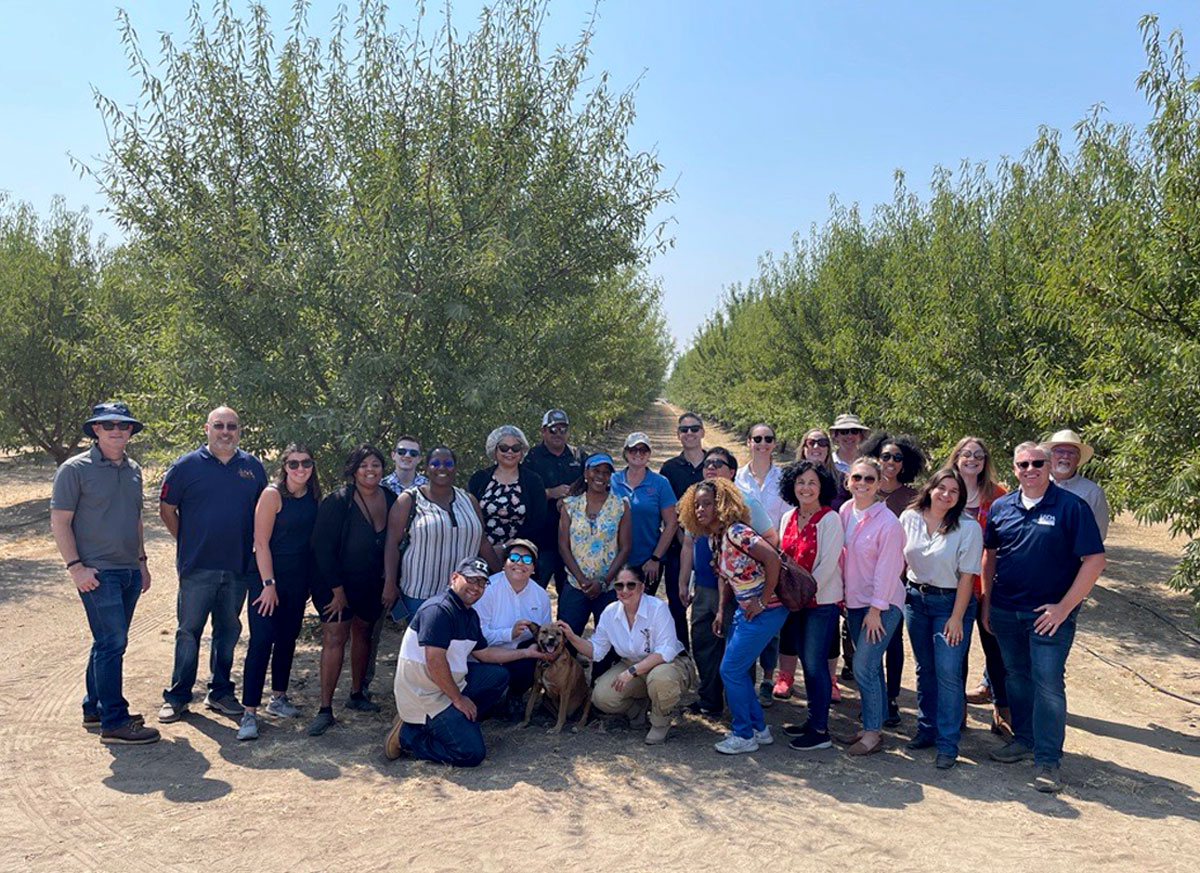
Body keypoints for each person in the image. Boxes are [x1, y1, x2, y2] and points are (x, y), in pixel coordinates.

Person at [982, 442, 1105, 793]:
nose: (1030, 469)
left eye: (1038, 463)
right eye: (1023, 464)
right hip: (1006, 610)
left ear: (1049, 466)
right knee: (1016, 677)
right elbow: (989, 557)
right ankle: (1024, 740)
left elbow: (1095, 561)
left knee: (1048, 684)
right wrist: (988, 602)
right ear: (1014, 468)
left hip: (1049, 617)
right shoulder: (1001, 507)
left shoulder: (1071, 507)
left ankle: (1048, 761)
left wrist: (1064, 607)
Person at [50, 402, 160, 745]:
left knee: (108, 643)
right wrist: (75, 567)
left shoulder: (134, 469)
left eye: (123, 425)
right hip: (97, 572)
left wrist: (141, 562)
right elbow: (60, 522)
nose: (117, 430)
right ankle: (115, 721)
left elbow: (136, 519)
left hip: (128, 570)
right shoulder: (74, 469)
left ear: (130, 431)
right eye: (108, 424)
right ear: (95, 430)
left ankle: (94, 707)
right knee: (112, 642)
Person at [385, 557, 551, 766]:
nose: (476, 587)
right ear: (454, 578)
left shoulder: (469, 615)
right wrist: (458, 699)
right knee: (471, 753)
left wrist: (526, 653)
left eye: (481, 583)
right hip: (426, 694)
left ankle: (457, 723)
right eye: (471, 580)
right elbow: (434, 661)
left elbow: (485, 654)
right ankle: (408, 736)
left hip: (449, 685)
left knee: (498, 676)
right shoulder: (438, 610)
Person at [158, 406, 267, 723]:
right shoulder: (186, 466)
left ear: (239, 430)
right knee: (188, 632)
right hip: (197, 568)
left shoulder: (252, 467)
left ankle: (220, 693)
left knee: (228, 631)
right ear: (207, 428)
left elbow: (263, 512)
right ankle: (178, 697)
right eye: (219, 425)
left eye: (231, 426)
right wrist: (189, 541)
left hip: (238, 567)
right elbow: (166, 510)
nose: (225, 431)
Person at [678, 478, 783, 755]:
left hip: (767, 609)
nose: (701, 510)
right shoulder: (715, 537)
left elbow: (773, 559)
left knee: (731, 670)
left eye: (707, 504)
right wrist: (722, 611)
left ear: (721, 505)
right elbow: (725, 577)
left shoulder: (738, 533)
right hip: (744, 609)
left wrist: (761, 600)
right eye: (697, 505)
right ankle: (759, 729)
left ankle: (742, 734)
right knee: (735, 669)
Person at [308, 444, 397, 735]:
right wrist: (337, 590)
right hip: (333, 582)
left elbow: (396, 544)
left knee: (364, 633)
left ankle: (357, 694)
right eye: (364, 465)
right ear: (353, 469)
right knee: (335, 637)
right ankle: (324, 709)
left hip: (370, 582)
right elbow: (321, 549)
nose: (370, 470)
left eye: (376, 465)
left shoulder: (391, 498)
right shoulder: (338, 501)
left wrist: (390, 582)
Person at [900, 468, 983, 769]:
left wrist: (957, 617)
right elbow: (899, 560)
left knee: (948, 673)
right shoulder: (910, 518)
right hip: (915, 600)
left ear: (960, 497)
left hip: (950, 603)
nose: (946, 495)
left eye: (954, 491)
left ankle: (948, 744)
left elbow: (967, 576)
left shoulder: (967, 527)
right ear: (930, 488)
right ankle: (927, 730)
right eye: (942, 488)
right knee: (925, 669)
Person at [557, 565, 695, 744]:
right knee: (602, 697)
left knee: (661, 678)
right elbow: (596, 651)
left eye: (631, 585)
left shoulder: (658, 608)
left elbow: (666, 651)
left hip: (668, 664)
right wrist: (572, 637)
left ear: (642, 587)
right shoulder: (610, 612)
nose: (624, 590)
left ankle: (660, 721)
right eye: (619, 586)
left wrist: (631, 672)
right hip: (635, 666)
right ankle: (637, 709)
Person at [237, 444, 320, 741]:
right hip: (267, 578)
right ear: (284, 466)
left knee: (287, 638)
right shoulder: (272, 495)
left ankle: (278, 697)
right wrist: (268, 585)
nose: (301, 469)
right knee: (261, 642)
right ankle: (249, 713)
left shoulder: (311, 496)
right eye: (294, 464)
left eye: (306, 463)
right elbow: (261, 542)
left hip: (297, 578)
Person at [384, 445, 499, 623]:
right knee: (425, 648)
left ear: (455, 467)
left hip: (464, 594)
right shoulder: (409, 500)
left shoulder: (469, 501)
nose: (442, 468)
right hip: (421, 594)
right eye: (435, 463)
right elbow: (392, 543)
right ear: (426, 468)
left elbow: (482, 542)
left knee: (459, 647)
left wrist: (501, 575)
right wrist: (390, 583)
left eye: (448, 463)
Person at [775, 460, 844, 752]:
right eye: (801, 482)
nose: (806, 488)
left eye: (812, 483)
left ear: (822, 487)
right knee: (806, 663)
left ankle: (819, 730)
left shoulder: (830, 519)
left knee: (816, 666)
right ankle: (812, 718)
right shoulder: (788, 517)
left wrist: (803, 593)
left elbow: (828, 564)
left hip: (820, 603)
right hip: (795, 602)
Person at [839, 456, 905, 756]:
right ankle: (869, 725)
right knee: (871, 668)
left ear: (879, 485)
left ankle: (874, 733)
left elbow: (889, 570)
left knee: (864, 667)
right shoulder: (845, 512)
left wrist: (876, 611)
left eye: (868, 479)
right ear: (847, 481)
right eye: (857, 478)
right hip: (854, 602)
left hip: (882, 605)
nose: (862, 484)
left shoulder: (888, 523)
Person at [859, 431, 926, 726]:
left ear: (905, 463)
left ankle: (891, 699)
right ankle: (872, 698)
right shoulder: (863, 491)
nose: (890, 462)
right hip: (861, 582)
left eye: (897, 458)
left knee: (892, 642)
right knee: (863, 642)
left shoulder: (912, 498)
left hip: (895, 582)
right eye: (885, 456)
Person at [951, 436, 1011, 737]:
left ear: (986, 461)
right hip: (953, 587)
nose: (971, 459)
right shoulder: (945, 491)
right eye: (965, 454)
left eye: (978, 455)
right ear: (956, 458)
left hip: (990, 586)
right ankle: (955, 710)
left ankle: (1003, 711)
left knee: (995, 650)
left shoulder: (999, 496)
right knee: (956, 651)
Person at [472, 539, 552, 716]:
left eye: (527, 559)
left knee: (533, 653)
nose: (519, 563)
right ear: (504, 563)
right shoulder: (488, 589)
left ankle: (516, 695)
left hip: (520, 656)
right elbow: (477, 635)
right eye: (514, 557)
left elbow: (545, 633)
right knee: (483, 712)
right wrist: (510, 633)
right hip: (484, 655)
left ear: (533, 569)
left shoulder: (541, 595)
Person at [557, 453, 632, 635]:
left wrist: (604, 582)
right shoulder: (570, 506)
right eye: (596, 471)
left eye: (606, 472)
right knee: (567, 638)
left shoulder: (620, 506)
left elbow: (625, 547)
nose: (600, 476)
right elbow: (563, 546)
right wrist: (582, 581)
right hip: (575, 584)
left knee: (610, 641)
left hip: (608, 586)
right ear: (585, 473)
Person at [658, 412, 708, 652]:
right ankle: (682, 654)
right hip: (678, 547)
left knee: (706, 603)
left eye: (694, 428)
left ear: (703, 432)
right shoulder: (669, 469)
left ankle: (706, 656)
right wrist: (682, 537)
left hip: (712, 548)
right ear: (678, 435)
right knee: (677, 603)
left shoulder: (713, 465)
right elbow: (666, 510)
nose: (690, 433)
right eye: (684, 430)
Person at [611, 432, 679, 605]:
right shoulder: (612, 480)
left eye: (643, 450)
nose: (638, 453)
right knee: (615, 609)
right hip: (614, 560)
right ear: (625, 453)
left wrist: (655, 558)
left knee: (641, 609)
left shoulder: (660, 483)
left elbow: (671, 524)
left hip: (647, 562)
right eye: (633, 449)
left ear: (649, 454)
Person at [522, 409, 584, 590]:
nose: (558, 434)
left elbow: (592, 483)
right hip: (541, 539)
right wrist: (549, 493)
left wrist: (571, 496)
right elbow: (523, 492)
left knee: (568, 593)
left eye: (563, 429)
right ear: (543, 431)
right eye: (553, 429)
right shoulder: (531, 458)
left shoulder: (578, 456)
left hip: (573, 541)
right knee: (534, 589)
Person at [467, 425, 547, 548]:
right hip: (481, 550)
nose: (510, 452)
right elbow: (469, 516)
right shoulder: (479, 479)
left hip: (520, 553)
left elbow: (538, 520)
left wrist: (512, 546)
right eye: (504, 448)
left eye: (515, 448)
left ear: (522, 451)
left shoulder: (533, 481)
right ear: (495, 450)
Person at [1043, 429, 1109, 541]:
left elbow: (1098, 535)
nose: (1065, 456)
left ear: (1078, 459)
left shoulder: (1093, 492)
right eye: (1059, 451)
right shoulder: (1033, 485)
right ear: (1049, 456)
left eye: (1071, 452)